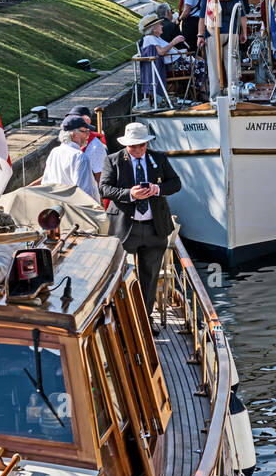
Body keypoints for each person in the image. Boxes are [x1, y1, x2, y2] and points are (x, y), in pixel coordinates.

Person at [99, 122, 182, 323]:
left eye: (141, 146)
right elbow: (104, 189)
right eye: (133, 146)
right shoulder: (113, 160)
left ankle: (145, 320)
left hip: (155, 228)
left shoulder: (159, 158)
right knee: (119, 277)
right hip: (124, 229)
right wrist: (130, 194)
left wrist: (157, 189)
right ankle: (120, 321)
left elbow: (176, 183)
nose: (137, 150)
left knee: (150, 277)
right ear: (126, 145)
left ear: (146, 143)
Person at [197, 0, 249, 98]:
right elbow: (242, 16)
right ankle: (234, 95)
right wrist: (244, 33)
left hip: (214, 33)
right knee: (232, 66)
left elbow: (202, 18)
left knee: (214, 67)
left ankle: (215, 96)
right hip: (232, 34)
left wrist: (200, 35)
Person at [41, 116, 100, 201]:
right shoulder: (80, 157)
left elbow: (45, 184)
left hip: (58, 206)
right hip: (76, 209)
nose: (88, 134)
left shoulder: (54, 152)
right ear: (74, 135)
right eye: (85, 131)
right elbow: (84, 193)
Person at [138, 13, 188, 102]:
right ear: (153, 29)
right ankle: (202, 92)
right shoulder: (150, 38)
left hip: (176, 62)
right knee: (201, 65)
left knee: (199, 63)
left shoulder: (155, 37)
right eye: (159, 25)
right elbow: (161, 52)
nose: (162, 26)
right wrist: (173, 42)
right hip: (173, 66)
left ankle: (197, 92)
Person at [65, 105, 107, 188]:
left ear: (87, 121)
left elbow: (101, 179)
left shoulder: (95, 147)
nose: (72, 121)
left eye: (77, 119)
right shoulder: (66, 145)